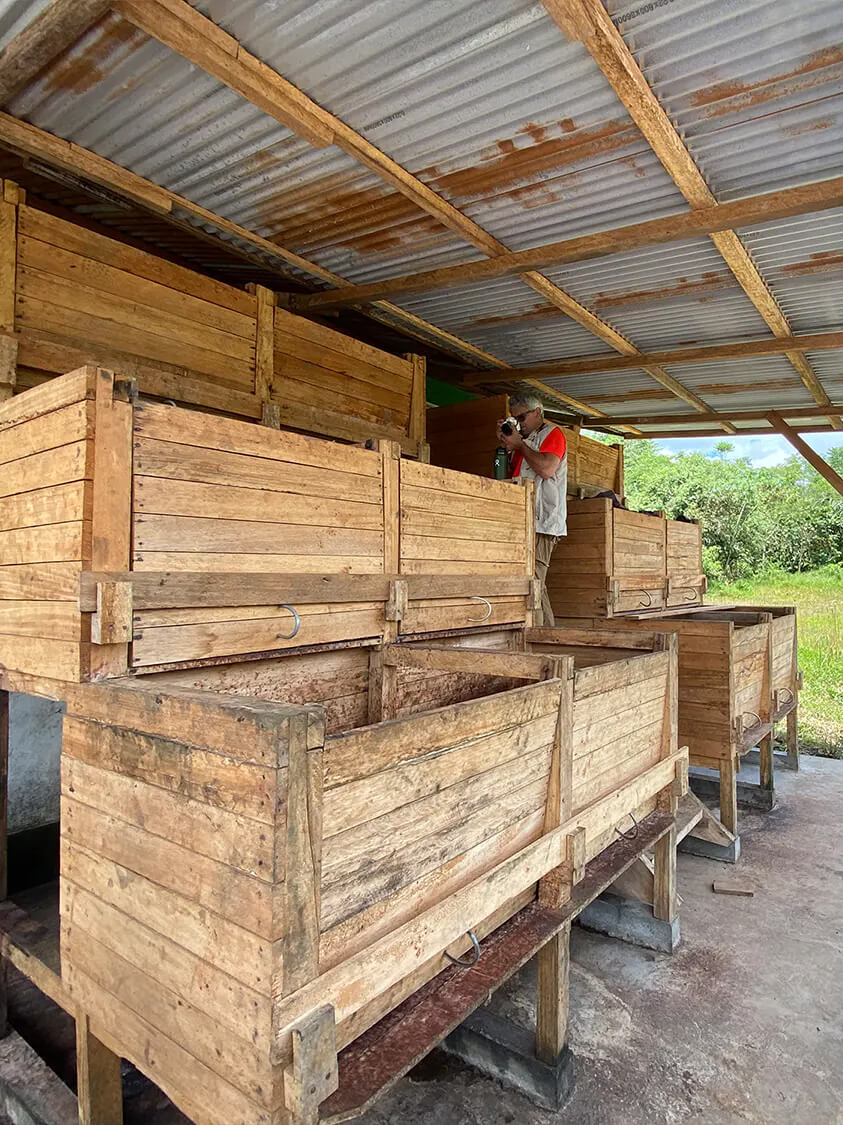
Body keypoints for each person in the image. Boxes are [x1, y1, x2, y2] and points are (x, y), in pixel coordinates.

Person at [497, 394, 567, 626]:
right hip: (522, 521)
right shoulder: (523, 442)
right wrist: (505, 448)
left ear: (537, 412)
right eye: (515, 419)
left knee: (533, 583)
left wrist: (519, 445)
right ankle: (548, 634)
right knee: (533, 583)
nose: (519, 423)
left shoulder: (552, 434)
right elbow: (504, 475)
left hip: (543, 522)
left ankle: (543, 634)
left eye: (522, 417)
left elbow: (546, 468)